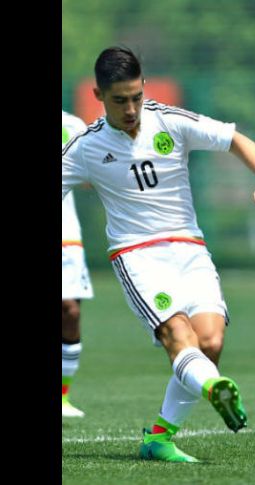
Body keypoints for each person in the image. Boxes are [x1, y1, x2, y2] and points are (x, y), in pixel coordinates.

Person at [62, 46, 255, 463]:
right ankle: (215, 388)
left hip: (190, 250)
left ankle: (159, 438)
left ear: (144, 87)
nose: (130, 108)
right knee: (179, 339)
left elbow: (234, 138)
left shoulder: (170, 121)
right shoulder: (86, 147)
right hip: (138, 257)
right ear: (98, 96)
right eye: (119, 100)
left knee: (210, 343)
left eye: (136, 96)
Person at [62, 110, 94, 419]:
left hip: (65, 235)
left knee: (69, 311)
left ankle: (62, 397)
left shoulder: (71, 125)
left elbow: (90, 176)